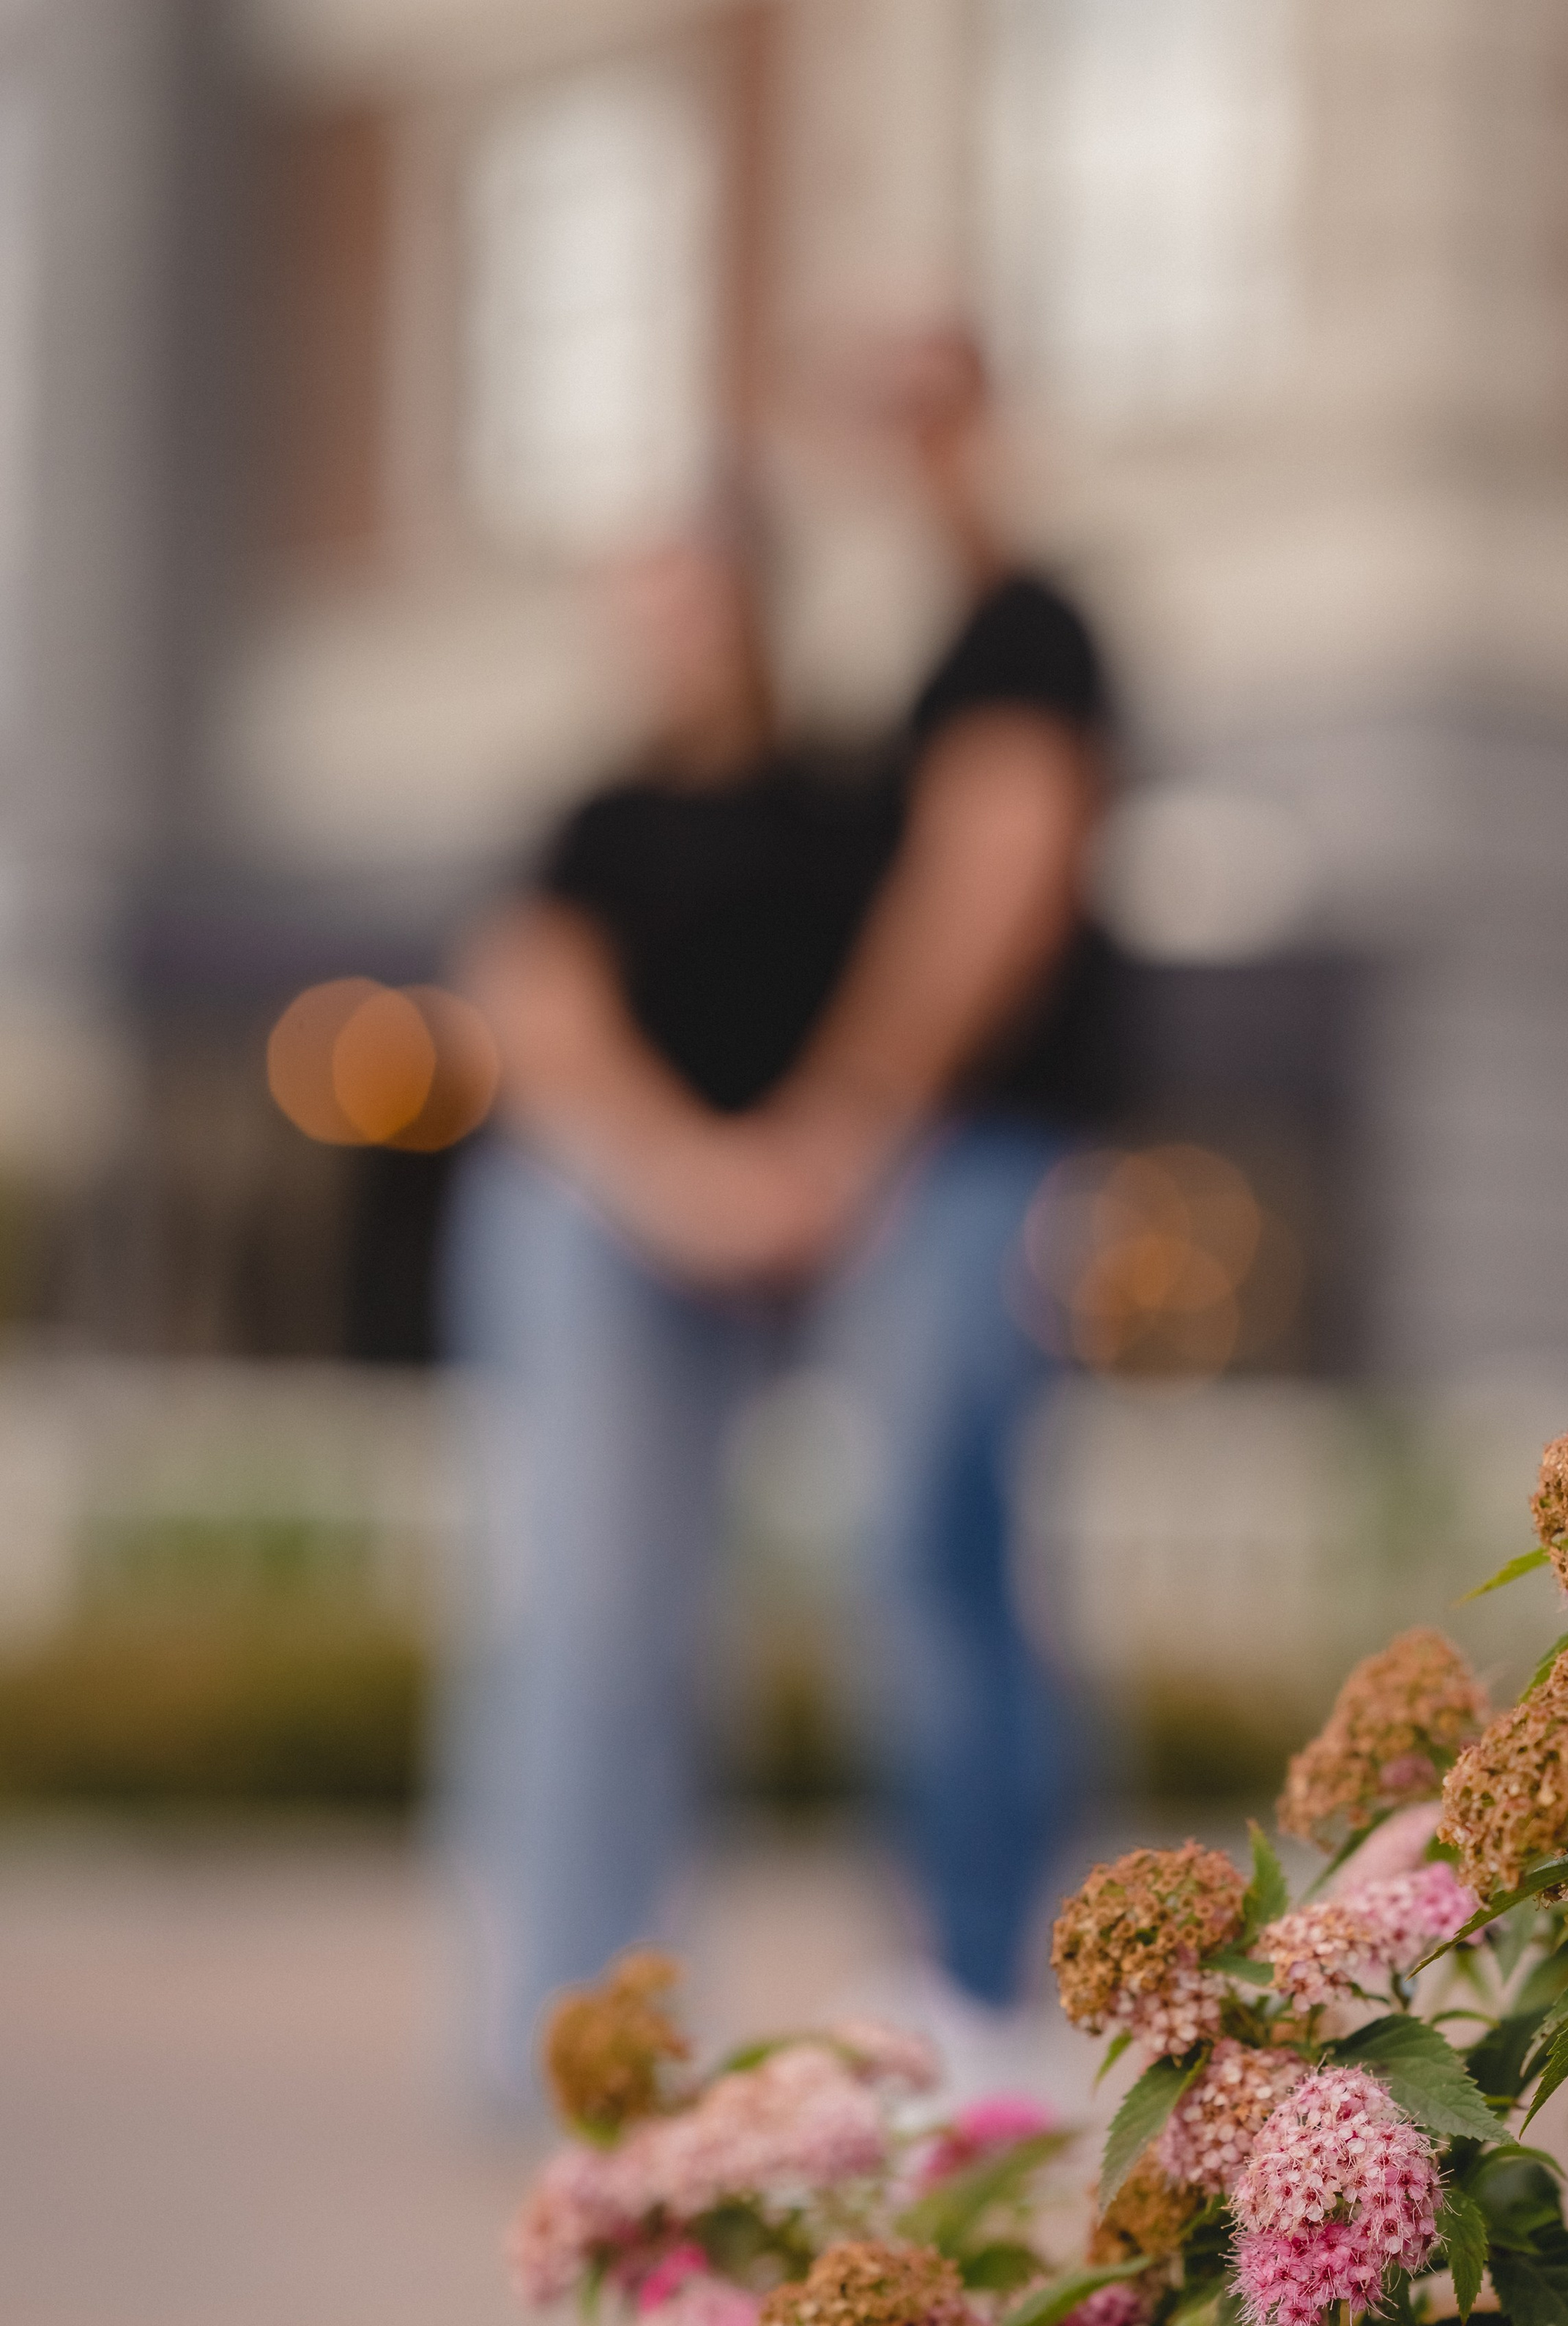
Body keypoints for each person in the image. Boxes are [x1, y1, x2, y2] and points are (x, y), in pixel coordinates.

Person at [443, 335, 1120, 2108]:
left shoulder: (847, 794)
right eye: (634, 590)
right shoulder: (591, 816)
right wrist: (698, 1178)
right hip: (619, 1216)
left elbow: (940, 924)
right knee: (595, 1604)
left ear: (749, 589)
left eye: (684, 577)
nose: (658, 617)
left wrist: (823, 1152)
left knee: (913, 1548)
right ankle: (563, 2042)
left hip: (816, 1208)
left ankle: (969, 1980)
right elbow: (542, 1016)